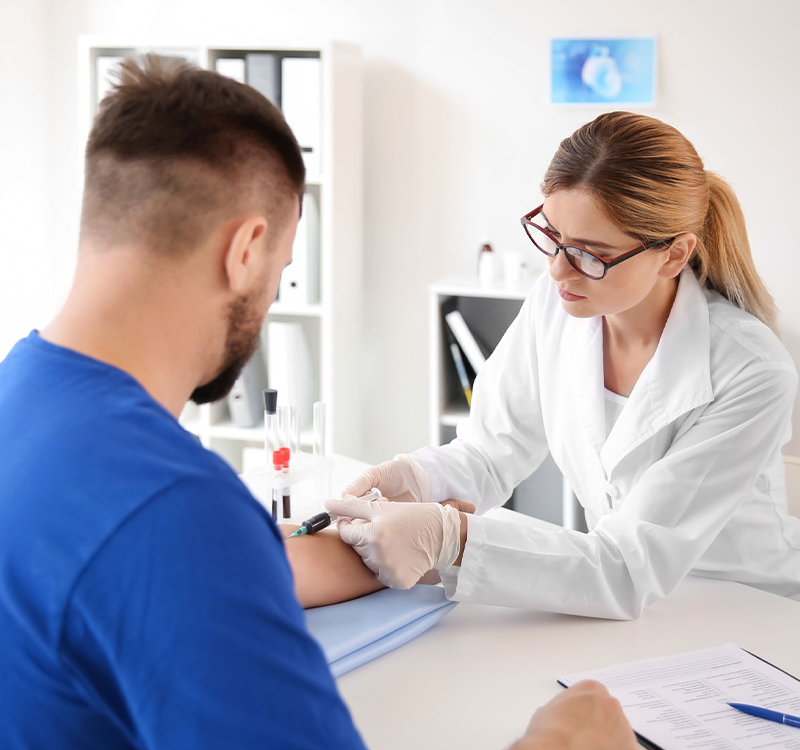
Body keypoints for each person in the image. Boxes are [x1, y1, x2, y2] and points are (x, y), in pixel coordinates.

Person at [0, 55, 638, 750]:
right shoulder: (171, 510)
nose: (272, 300)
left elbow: (207, 571)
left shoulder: (24, 395)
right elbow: (182, 552)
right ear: (244, 251)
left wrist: (396, 545)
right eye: (281, 269)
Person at [327, 111, 800, 620]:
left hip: (749, 612)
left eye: (590, 253)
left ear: (674, 255)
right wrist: (417, 479)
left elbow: (626, 563)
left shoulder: (750, 370)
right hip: (623, 599)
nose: (557, 269)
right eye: (551, 236)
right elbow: (492, 450)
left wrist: (455, 540)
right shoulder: (559, 301)